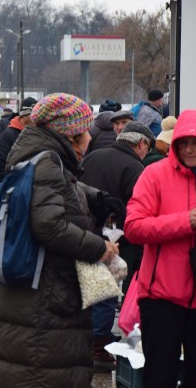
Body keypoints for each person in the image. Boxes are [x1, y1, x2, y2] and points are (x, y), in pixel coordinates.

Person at [0, 93, 119, 387]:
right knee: (43, 375)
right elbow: (48, 224)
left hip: (42, 296)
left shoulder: (46, 158)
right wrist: (99, 248)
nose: (90, 137)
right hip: (45, 301)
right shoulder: (48, 161)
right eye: (86, 130)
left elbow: (60, 190)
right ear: (71, 134)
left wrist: (94, 197)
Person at [124, 109, 196, 388]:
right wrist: (186, 221)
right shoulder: (154, 175)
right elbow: (134, 228)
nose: (190, 149)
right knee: (159, 378)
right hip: (161, 298)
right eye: (184, 142)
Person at [81, 121, 155, 372]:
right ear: (141, 144)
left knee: (87, 291)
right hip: (113, 239)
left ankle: (87, 342)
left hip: (82, 233)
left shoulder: (93, 156)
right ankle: (99, 347)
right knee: (105, 293)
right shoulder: (135, 167)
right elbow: (137, 207)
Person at [0, 105, 34, 182]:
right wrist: (8, 183)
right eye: (33, 114)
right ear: (24, 116)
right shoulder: (9, 133)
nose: (36, 118)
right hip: (11, 183)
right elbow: (0, 161)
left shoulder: (33, 132)